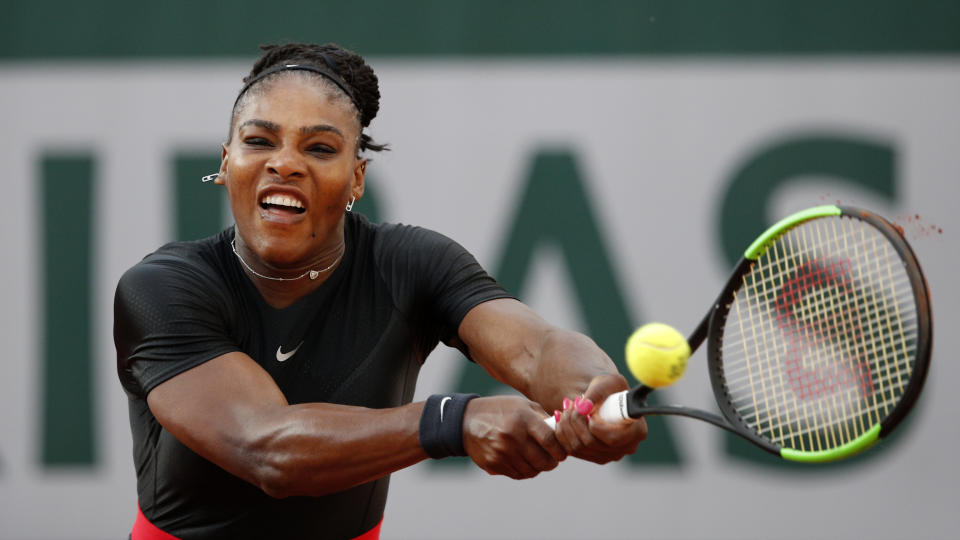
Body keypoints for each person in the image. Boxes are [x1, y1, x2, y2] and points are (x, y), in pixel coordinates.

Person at [114, 42, 647, 540]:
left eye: (320, 148)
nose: (285, 163)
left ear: (356, 178)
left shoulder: (411, 263)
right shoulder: (159, 290)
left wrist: (590, 390)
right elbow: (268, 448)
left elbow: (537, 346)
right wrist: (452, 422)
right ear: (227, 162)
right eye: (259, 141)